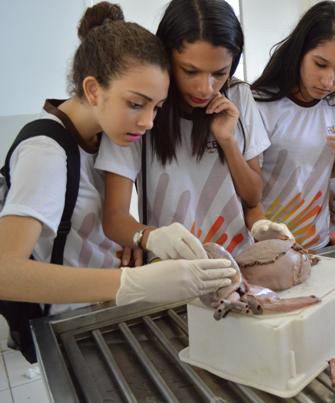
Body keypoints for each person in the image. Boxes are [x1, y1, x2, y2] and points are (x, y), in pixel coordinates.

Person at [0, 3, 236, 312]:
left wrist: (145, 238)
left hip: (101, 311)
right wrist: (130, 283)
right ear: (94, 90)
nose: (148, 122)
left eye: (157, 107)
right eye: (137, 104)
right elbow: (5, 273)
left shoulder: (105, 137)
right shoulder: (46, 152)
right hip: (64, 321)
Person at [96, 0, 289, 261]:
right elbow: (115, 216)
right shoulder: (142, 111)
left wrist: (228, 140)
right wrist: (147, 236)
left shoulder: (238, 96)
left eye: (219, 73)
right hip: (173, 270)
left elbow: (253, 196)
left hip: (239, 263)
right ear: (166, 57)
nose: (205, 88)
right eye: (190, 71)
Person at [252, 1, 335, 250]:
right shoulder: (261, 104)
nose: (328, 81)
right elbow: (247, 189)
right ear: (299, 51)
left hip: (319, 242)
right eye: (320, 64)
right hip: (269, 247)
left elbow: (325, 170)